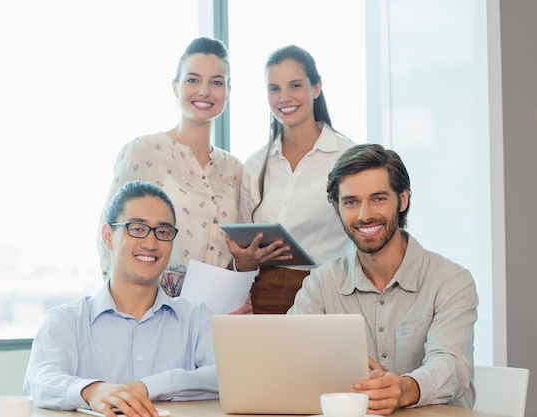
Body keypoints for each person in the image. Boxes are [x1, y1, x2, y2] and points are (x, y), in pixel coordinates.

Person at [289, 144, 478, 415]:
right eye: (351, 202)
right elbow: (290, 357)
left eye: (378, 198)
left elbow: (451, 365)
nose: (365, 215)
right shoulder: (320, 284)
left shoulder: (451, 281)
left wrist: (405, 388)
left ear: (402, 199)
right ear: (337, 208)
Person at [24, 181, 218, 417]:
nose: (151, 243)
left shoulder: (196, 317)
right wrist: (92, 391)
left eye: (163, 232)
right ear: (108, 236)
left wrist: (149, 386)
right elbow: (38, 381)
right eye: (137, 228)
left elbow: (228, 376)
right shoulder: (66, 320)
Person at [97, 37, 243, 301]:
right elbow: (108, 236)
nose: (204, 91)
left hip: (217, 314)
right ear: (175, 87)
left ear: (228, 92)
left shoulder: (235, 169)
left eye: (217, 82)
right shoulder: (144, 151)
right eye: (193, 80)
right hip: (151, 312)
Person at [227, 45, 354, 314]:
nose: (284, 97)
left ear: (316, 87)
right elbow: (242, 245)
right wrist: (245, 259)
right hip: (263, 297)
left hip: (326, 298)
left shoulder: (347, 158)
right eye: (274, 89)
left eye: (295, 85)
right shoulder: (255, 164)